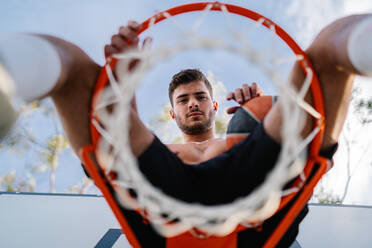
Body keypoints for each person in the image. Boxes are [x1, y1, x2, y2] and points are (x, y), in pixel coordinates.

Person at [0, 14, 371, 247]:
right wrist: (124, 84)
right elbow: (118, 133)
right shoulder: (163, 151)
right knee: (79, 70)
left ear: (213, 105)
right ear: (174, 115)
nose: (192, 103)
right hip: (163, 212)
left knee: (325, 49)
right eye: (182, 100)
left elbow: (298, 114)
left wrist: (260, 106)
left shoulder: (240, 135)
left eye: (199, 96)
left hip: (255, 214)